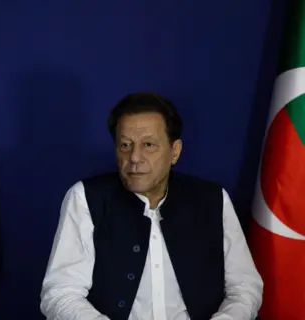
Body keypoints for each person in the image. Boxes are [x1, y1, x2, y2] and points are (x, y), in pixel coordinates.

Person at [39, 92, 263, 320]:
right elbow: (60, 292)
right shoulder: (86, 198)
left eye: (148, 145)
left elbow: (245, 288)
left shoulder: (213, 200)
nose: (134, 157)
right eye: (125, 145)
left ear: (174, 151)